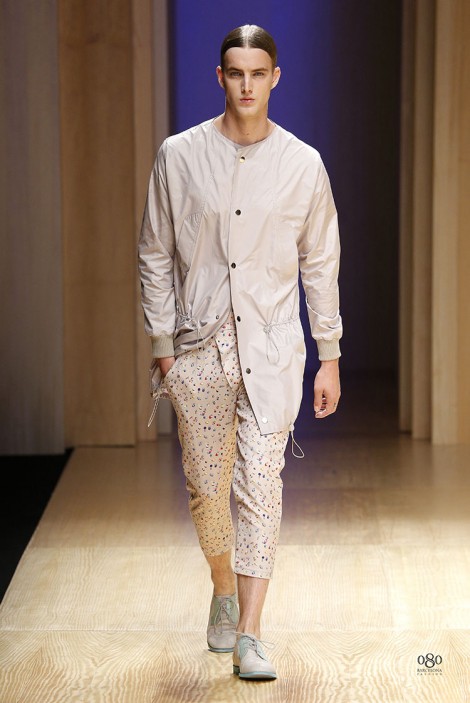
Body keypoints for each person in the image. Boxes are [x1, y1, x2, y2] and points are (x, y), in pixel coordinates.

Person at [138, 24, 342, 681]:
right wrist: (164, 348)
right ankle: (222, 587)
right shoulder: (179, 156)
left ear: (275, 77)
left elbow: (321, 263)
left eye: (258, 73)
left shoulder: (303, 165)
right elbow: (154, 251)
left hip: (273, 349)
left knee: (261, 484)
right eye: (236, 73)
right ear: (220, 77)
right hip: (196, 351)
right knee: (207, 489)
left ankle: (250, 633)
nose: (247, 85)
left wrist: (330, 352)